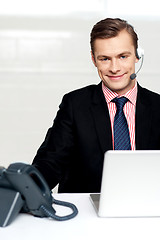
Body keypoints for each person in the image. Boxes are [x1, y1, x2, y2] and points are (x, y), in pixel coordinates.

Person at [32, 18, 160, 193]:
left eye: (123, 56)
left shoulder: (158, 106)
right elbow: (51, 161)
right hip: (86, 214)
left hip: (147, 208)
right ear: (94, 59)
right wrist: (25, 188)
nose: (114, 68)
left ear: (137, 55)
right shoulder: (74, 104)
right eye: (105, 59)